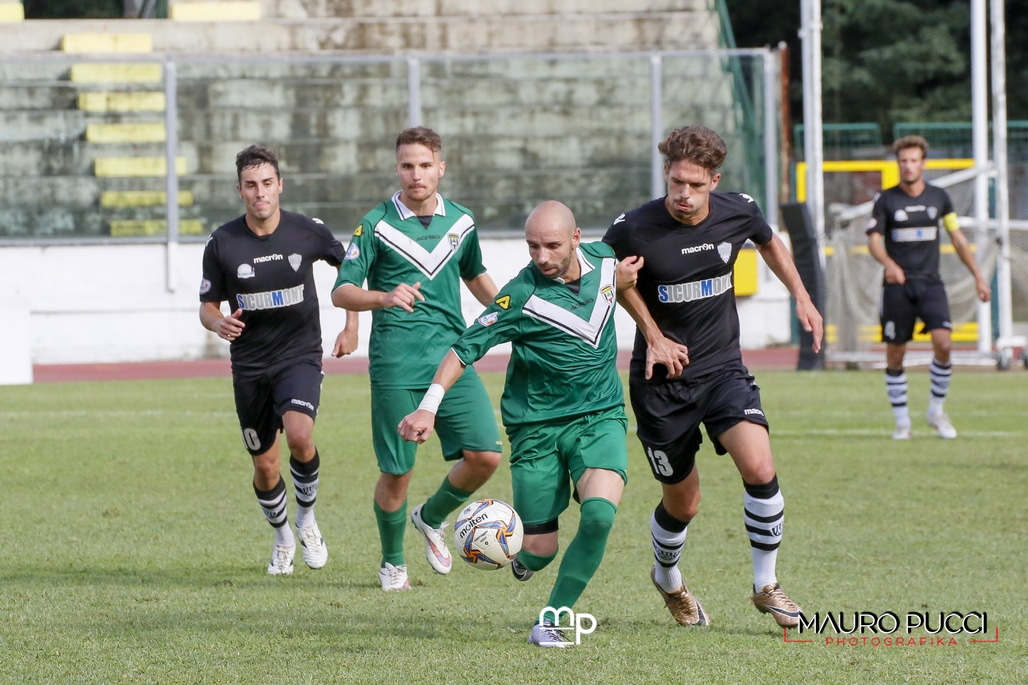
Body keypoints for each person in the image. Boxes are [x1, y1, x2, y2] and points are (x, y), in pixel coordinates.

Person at [602, 125, 823, 629]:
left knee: (761, 468)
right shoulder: (634, 227)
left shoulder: (738, 209)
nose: (683, 194)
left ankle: (766, 585)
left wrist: (802, 296)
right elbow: (609, 279)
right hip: (661, 383)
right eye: (676, 182)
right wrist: (653, 335)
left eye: (695, 185)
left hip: (723, 369)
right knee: (685, 502)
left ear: (713, 181)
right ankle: (667, 578)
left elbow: (769, 243)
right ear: (667, 174)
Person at [399, 200, 642, 647]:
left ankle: (551, 619)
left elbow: (620, 284)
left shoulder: (606, 259)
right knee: (539, 551)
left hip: (599, 417)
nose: (542, 257)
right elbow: (464, 348)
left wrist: (657, 334)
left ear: (575, 238)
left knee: (599, 516)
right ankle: (460, 529)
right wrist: (428, 406)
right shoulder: (519, 296)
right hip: (536, 430)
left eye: (551, 245)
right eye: (532, 247)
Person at [331, 126, 503, 592]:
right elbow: (341, 290)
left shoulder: (462, 222)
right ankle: (392, 565)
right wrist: (383, 297)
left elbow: (476, 276)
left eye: (425, 165)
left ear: (440, 168)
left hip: (452, 356)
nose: (416, 174)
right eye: (407, 165)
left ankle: (430, 518)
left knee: (485, 455)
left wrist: (513, 313)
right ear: (396, 169)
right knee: (398, 471)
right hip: (396, 364)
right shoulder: (375, 224)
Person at [199, 144, 356, 575]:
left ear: (280, 185)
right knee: (265, 466)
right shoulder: (222, 242)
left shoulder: (309, 231)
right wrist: (218, 325)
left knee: (300, 435)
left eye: (267, 183)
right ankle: (283, 535)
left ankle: (307, 519)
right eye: (251, 185)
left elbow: (351, 274)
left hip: (298, 356)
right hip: (249, 366)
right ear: (239, 190)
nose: (260, 193)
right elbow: (207, 306)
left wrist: (351, 327)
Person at [866, 135, 991, 440]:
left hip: (931, 284)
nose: (908, 166)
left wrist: (977, 275)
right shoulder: (886, 200)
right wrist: (890, 265)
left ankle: (936, 410)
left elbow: (958, 238)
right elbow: (873, 241)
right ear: (899, 164)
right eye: (903, 161)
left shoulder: (939, 198)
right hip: (897, 288)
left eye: (913, 160)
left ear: (923, 163)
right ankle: (902, 422)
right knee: (896, 353)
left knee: (944, 344)